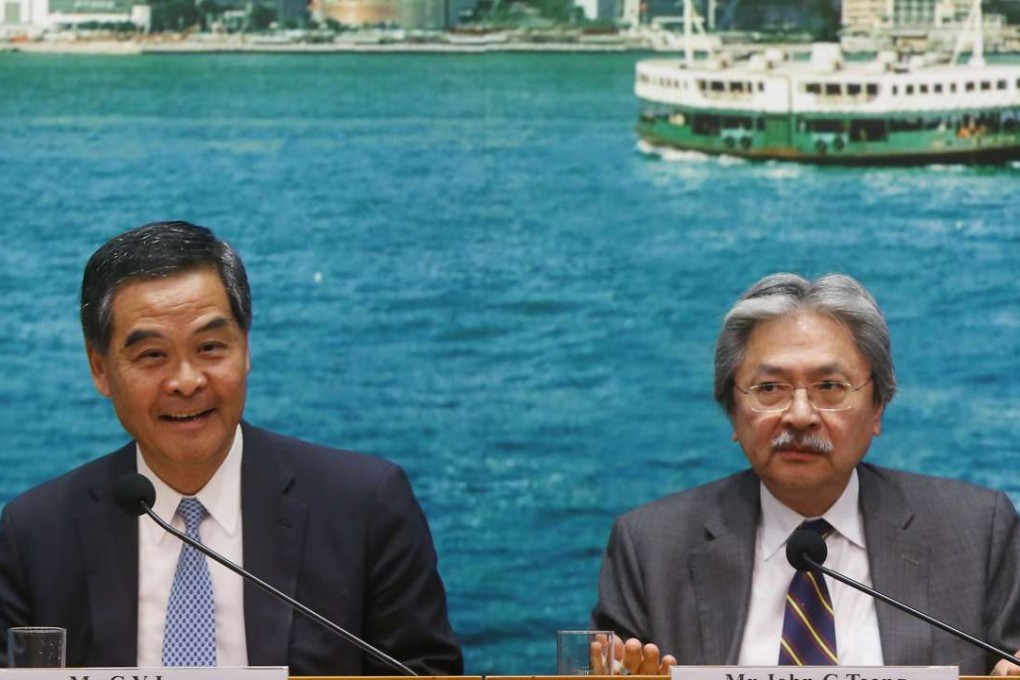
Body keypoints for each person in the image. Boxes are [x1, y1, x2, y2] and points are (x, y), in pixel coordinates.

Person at [0, 221, 463, 675]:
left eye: (210, 347)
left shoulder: (365, 507)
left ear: (245, 349)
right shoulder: (36, 534)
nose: (186, 381)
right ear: (100, 368)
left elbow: (424, 673)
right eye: (152, 355)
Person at [592, 272, 1020, 675]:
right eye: (770, 389)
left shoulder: (977, 533)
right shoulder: (650, 546)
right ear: (734, 414)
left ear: (877, 408)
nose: (799, 415)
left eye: (829, 387)